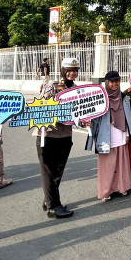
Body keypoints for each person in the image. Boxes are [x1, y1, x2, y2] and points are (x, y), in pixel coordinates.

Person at [37, 57, 78, 219]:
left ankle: (49, 200)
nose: (72, 73)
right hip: (48, 135)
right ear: (62, 70)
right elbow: (40, 104)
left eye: (75, 70)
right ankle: (54, 206)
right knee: (48, 171)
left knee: (58, 171)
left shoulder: (77, 89)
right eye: (69, 70)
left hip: (65, 135)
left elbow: (79, 112)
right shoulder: (52, 86)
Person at [86, 71, 131, 201]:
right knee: (107, 165)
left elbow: (128, 117)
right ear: (107, 82)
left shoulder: (123, 97)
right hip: (105, 135)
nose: (114, 84)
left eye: (117, 81)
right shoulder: (101, 98)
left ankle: (122, 187)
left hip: (120, 133)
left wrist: (129, 133)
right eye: (112, 81)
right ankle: (106, 191)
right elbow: (94, 116)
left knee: (121, 163)